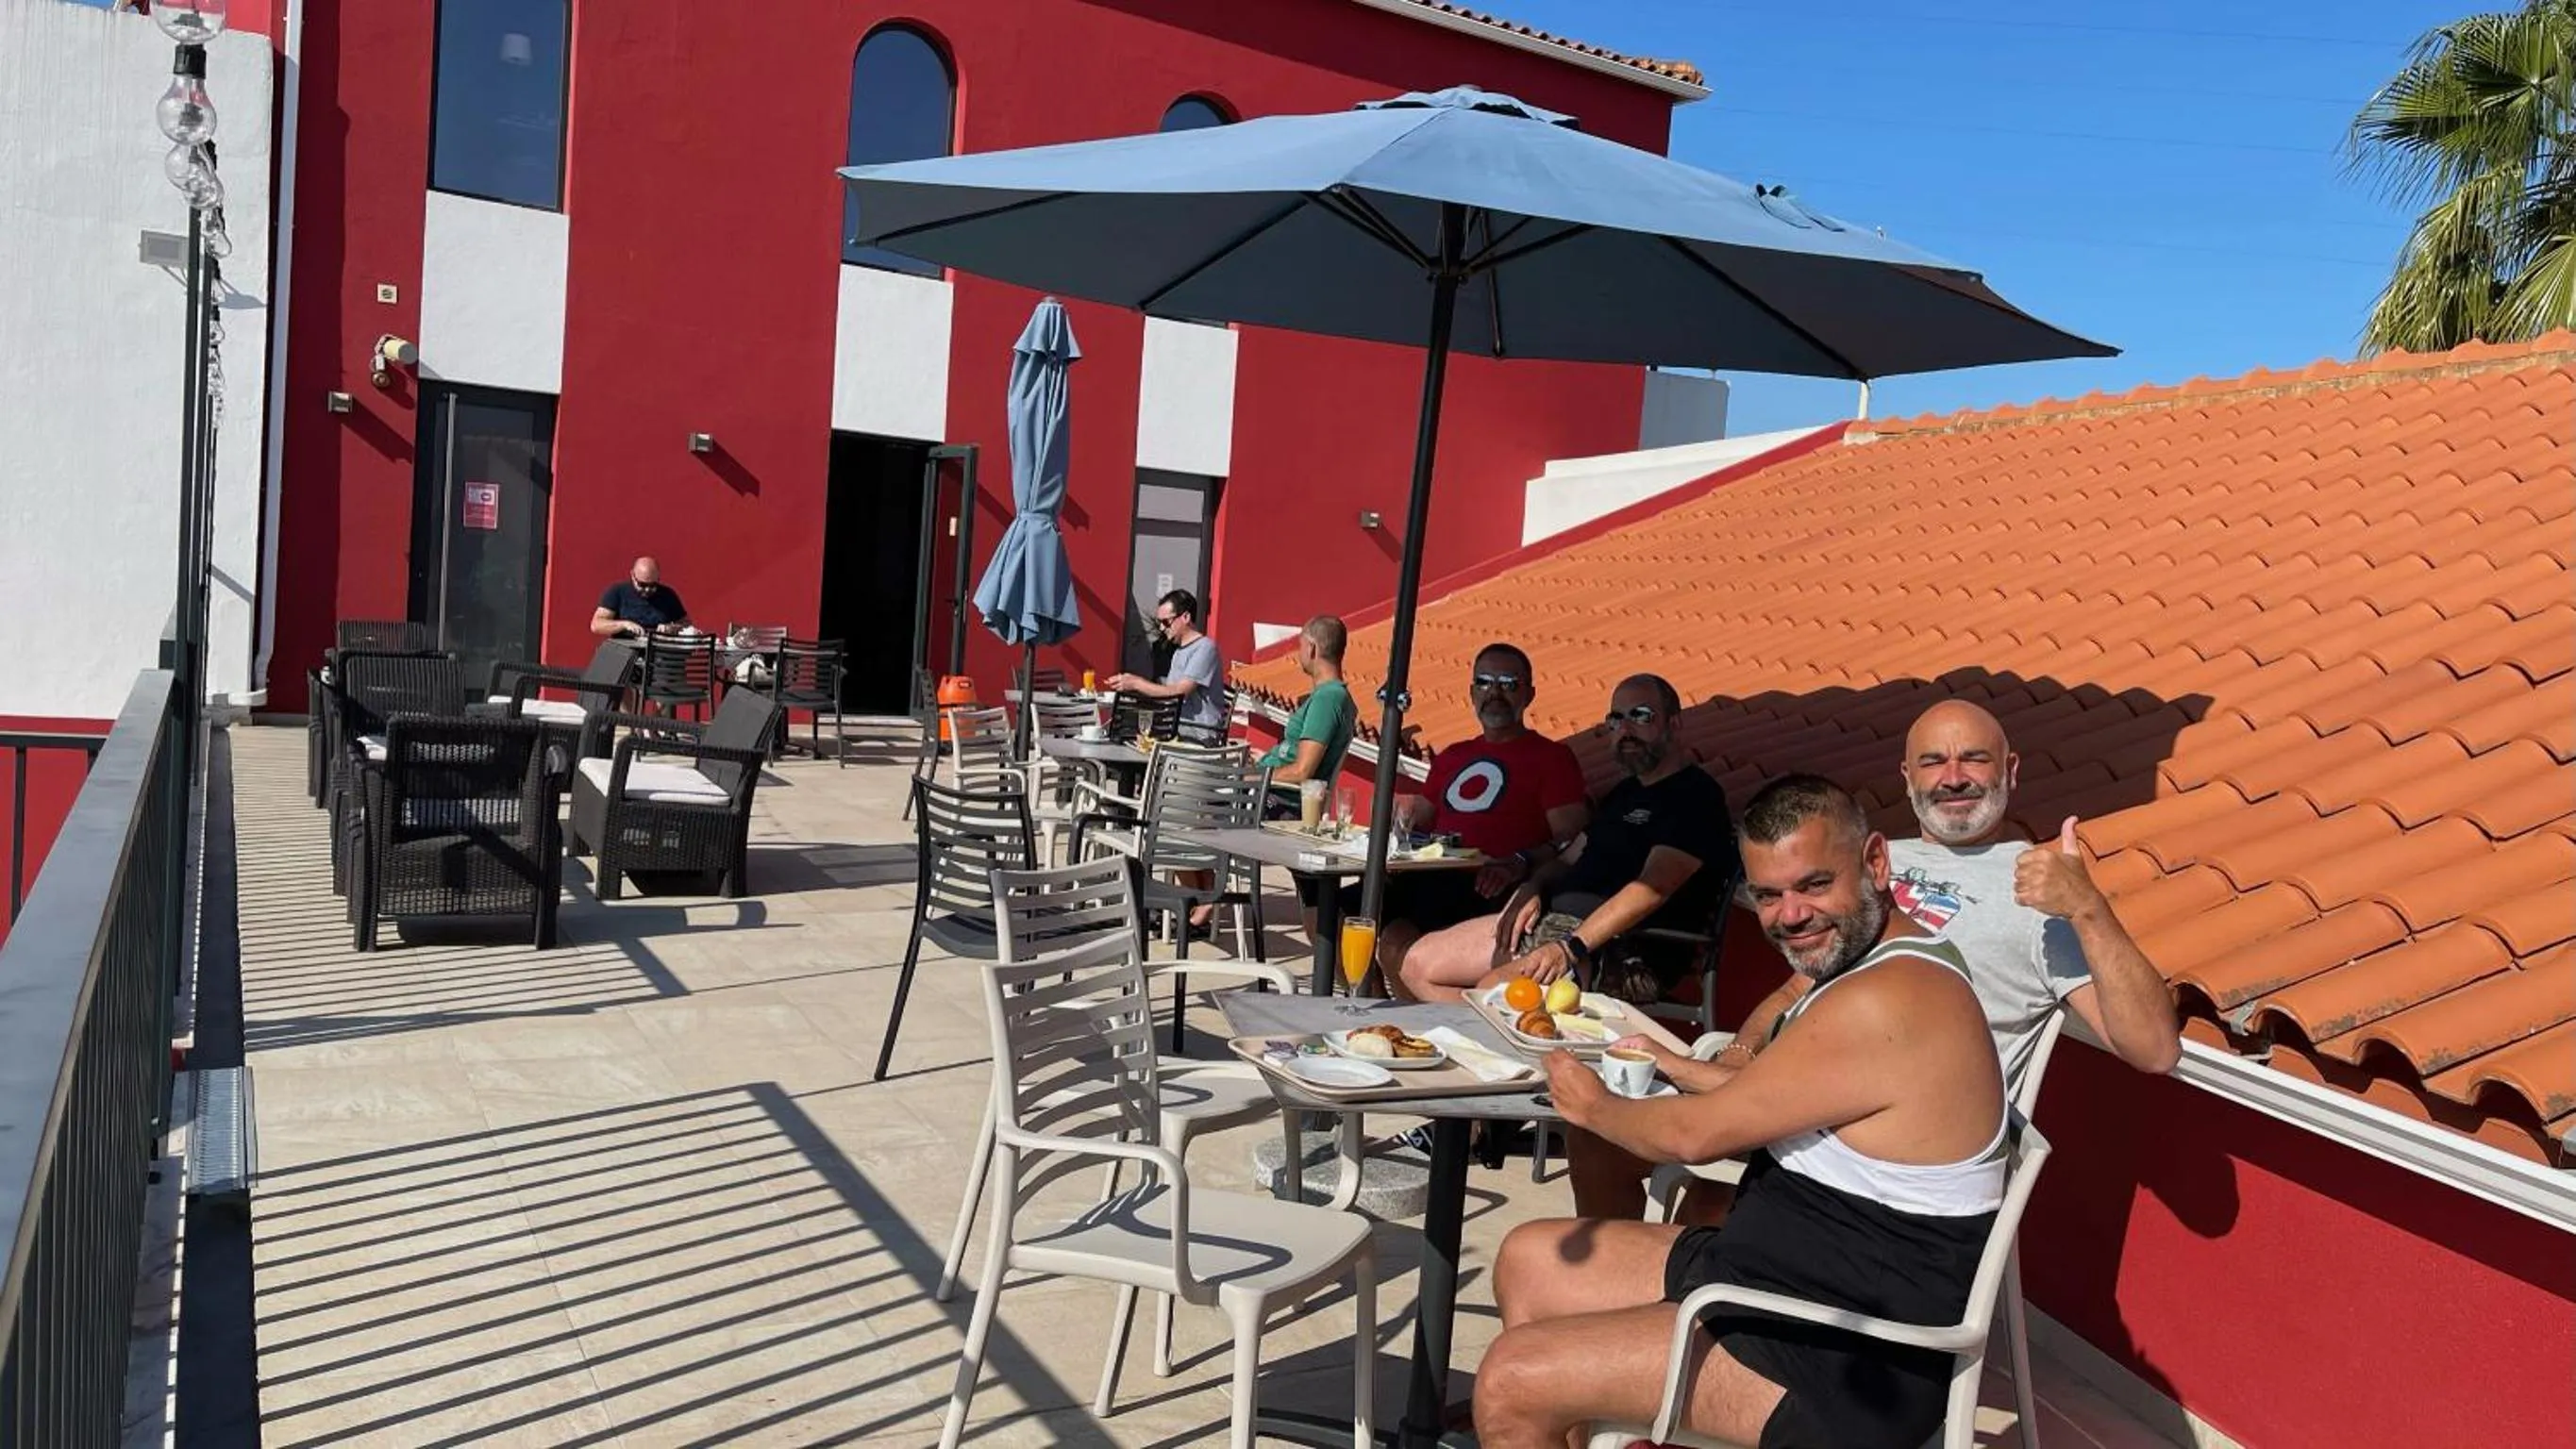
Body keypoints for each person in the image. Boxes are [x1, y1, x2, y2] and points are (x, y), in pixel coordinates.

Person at [1474, 775, 2008, 1449]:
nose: (1791, 915)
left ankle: (1531, 1416)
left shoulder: (1888, 999)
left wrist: (1592, 1105)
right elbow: (1757, 1096)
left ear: (1876, 862)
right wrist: (1670, 1066)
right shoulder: (1861, 968)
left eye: (1814, 885)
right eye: (1768, 893)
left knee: (1509, 1380)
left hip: (1844, 1355)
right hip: (1773, 1275)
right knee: (1531, 1258)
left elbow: (1695, 1137)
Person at [1710, 698, 2183, 1092]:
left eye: (1974, 758)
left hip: (1911, 1145)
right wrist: (1739, 1054)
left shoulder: (2044, 894)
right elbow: (1799, 988)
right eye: (1933, 762)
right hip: (1799, 1096)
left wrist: (2089, 909)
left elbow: (2156, 1050)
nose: (1953, 777)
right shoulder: (1870, 861)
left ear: (2010, 771)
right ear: (1908, 777)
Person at [1397, 675, 1733, 1009]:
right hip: (1555, 923)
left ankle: (1511, 1048)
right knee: (1416, 966)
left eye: (1641, 716)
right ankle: (1500, 1044)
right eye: (1616, 718)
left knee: (1492, 994)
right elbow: (1570, 856)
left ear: (1674, 725)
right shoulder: (1624, 794)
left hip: (1622, 949)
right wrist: (1533, 886)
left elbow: (1651, 889)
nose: (1625, 729)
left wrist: (1571, 947)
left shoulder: (1694, 798)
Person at [1364, 643, 1588, 997]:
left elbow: (1571, 838)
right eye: (1484, 682)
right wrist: (1398, 813)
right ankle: (1371, 1009)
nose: (1494, 693)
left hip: (1492, 888)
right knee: (1333, 901)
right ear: (1471, 692)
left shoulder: (1552, 758)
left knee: (1393, 937)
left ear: (1529, 695)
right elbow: (1416, 818)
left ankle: (1417, 1025)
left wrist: (1518, 863)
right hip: (1435, 877)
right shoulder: (1454, 756)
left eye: (1508, 683)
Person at [1104, 589, 1225, 741]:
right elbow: (1167, 694)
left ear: (1186, 617)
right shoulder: (1179, 650)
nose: (1161, 628)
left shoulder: (1205, 648)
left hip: (1198, 736)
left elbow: (1179, 693)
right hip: (1174, 730)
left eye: (1166, 622)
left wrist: (1136, 683)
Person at [1259, 615, 1357, 789]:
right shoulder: (1331, 696)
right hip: (1268, 788)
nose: (1299, 652)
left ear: (1312, 649)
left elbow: (1302, 771)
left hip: (1275, 800)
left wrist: (1253, 777)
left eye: (1301, 645)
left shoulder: (1328, 699)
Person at [591, 557, 691, 640]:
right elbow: (596, 625)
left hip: (658, 652)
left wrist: (672, 628)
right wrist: (624, 625)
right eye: (642, 585)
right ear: (632, 576)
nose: (647, 590)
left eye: (653, 585)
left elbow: (686, 624)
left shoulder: (668, 595)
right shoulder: (617, 592)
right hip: (627, 650)